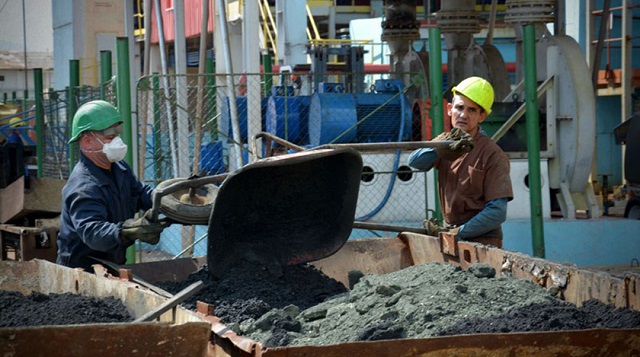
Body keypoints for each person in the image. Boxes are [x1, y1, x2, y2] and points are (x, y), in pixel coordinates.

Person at [57, 100, 168, 271]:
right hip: (81, 272)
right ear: (87, 141)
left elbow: (140, 193)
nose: (117, 142)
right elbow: (93, 232)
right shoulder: (84, 186)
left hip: (111, 265)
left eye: (118, 135)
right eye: (110, 137)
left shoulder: (119, 168)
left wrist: (168, 200)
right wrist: (127, 231)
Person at [408, 76, 513, 247]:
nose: (463, 115)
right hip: (452, 236)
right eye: (459, 107)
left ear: (482, 116)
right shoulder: (446, 141)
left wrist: (459, 232)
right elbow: (415, 162)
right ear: (449, 109)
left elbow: (497, 212)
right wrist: (440, 148)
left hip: (483, 241)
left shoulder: (492, 154)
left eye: (472, 110)